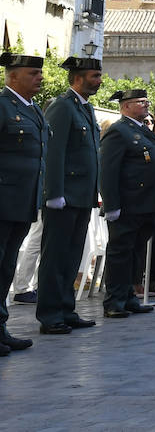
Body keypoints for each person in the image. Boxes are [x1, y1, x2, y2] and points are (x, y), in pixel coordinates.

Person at [35, 56, 103, 334]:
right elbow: (54, 152)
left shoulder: (84, 109)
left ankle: (66, 308)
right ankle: (50, 314)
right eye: (94, 76)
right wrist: (54, 192)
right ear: (78, 78)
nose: (99, 81)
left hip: (82, 196)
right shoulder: (62, 107)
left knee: (73, 254)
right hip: (65, 196)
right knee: (55, 256)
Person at [98, 88, 155, 318]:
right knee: (121, 252)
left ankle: (130, 296)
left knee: (136, 252)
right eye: (140, 102)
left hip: (147, 204)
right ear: (125, 106)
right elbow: (109, 171)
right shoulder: (119, 131)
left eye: (146, 101)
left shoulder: (142, 130)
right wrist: (111, 205)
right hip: (129, 204)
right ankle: (114, 301)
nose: (146, 105)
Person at [0, 52, 46, 356]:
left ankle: (0, 328)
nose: (39, 77)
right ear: (12, 76)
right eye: (33, 73)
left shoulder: (34, 109)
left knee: (5, 268)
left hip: (22, 200)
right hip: (3, 199)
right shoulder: (3, 106)